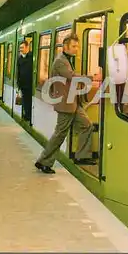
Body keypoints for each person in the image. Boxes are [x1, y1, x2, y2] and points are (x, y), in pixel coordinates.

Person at [35, 34, 95, 174]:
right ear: (65, 46)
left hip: (73, 102)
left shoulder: (67, 60)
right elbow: (71, 76)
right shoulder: (60, 61)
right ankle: (43, 161)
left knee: (87, 125)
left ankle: (82, 156)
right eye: (74, 46)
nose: (76, 49)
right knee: (60, 134)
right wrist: (91, 77)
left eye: (77, 46)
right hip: (65, 103)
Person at [16, 40, 33, 124]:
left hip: (30, 84)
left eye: (22, 47)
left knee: (29, 101)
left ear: (27, 47)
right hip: (23, 84)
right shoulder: (19, 59)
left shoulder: (32, 57)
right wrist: (18, 84)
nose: (21, 49)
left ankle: (29, 116)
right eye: (20, 48)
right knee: (25, 101)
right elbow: (18, 72)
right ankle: (26, 115)